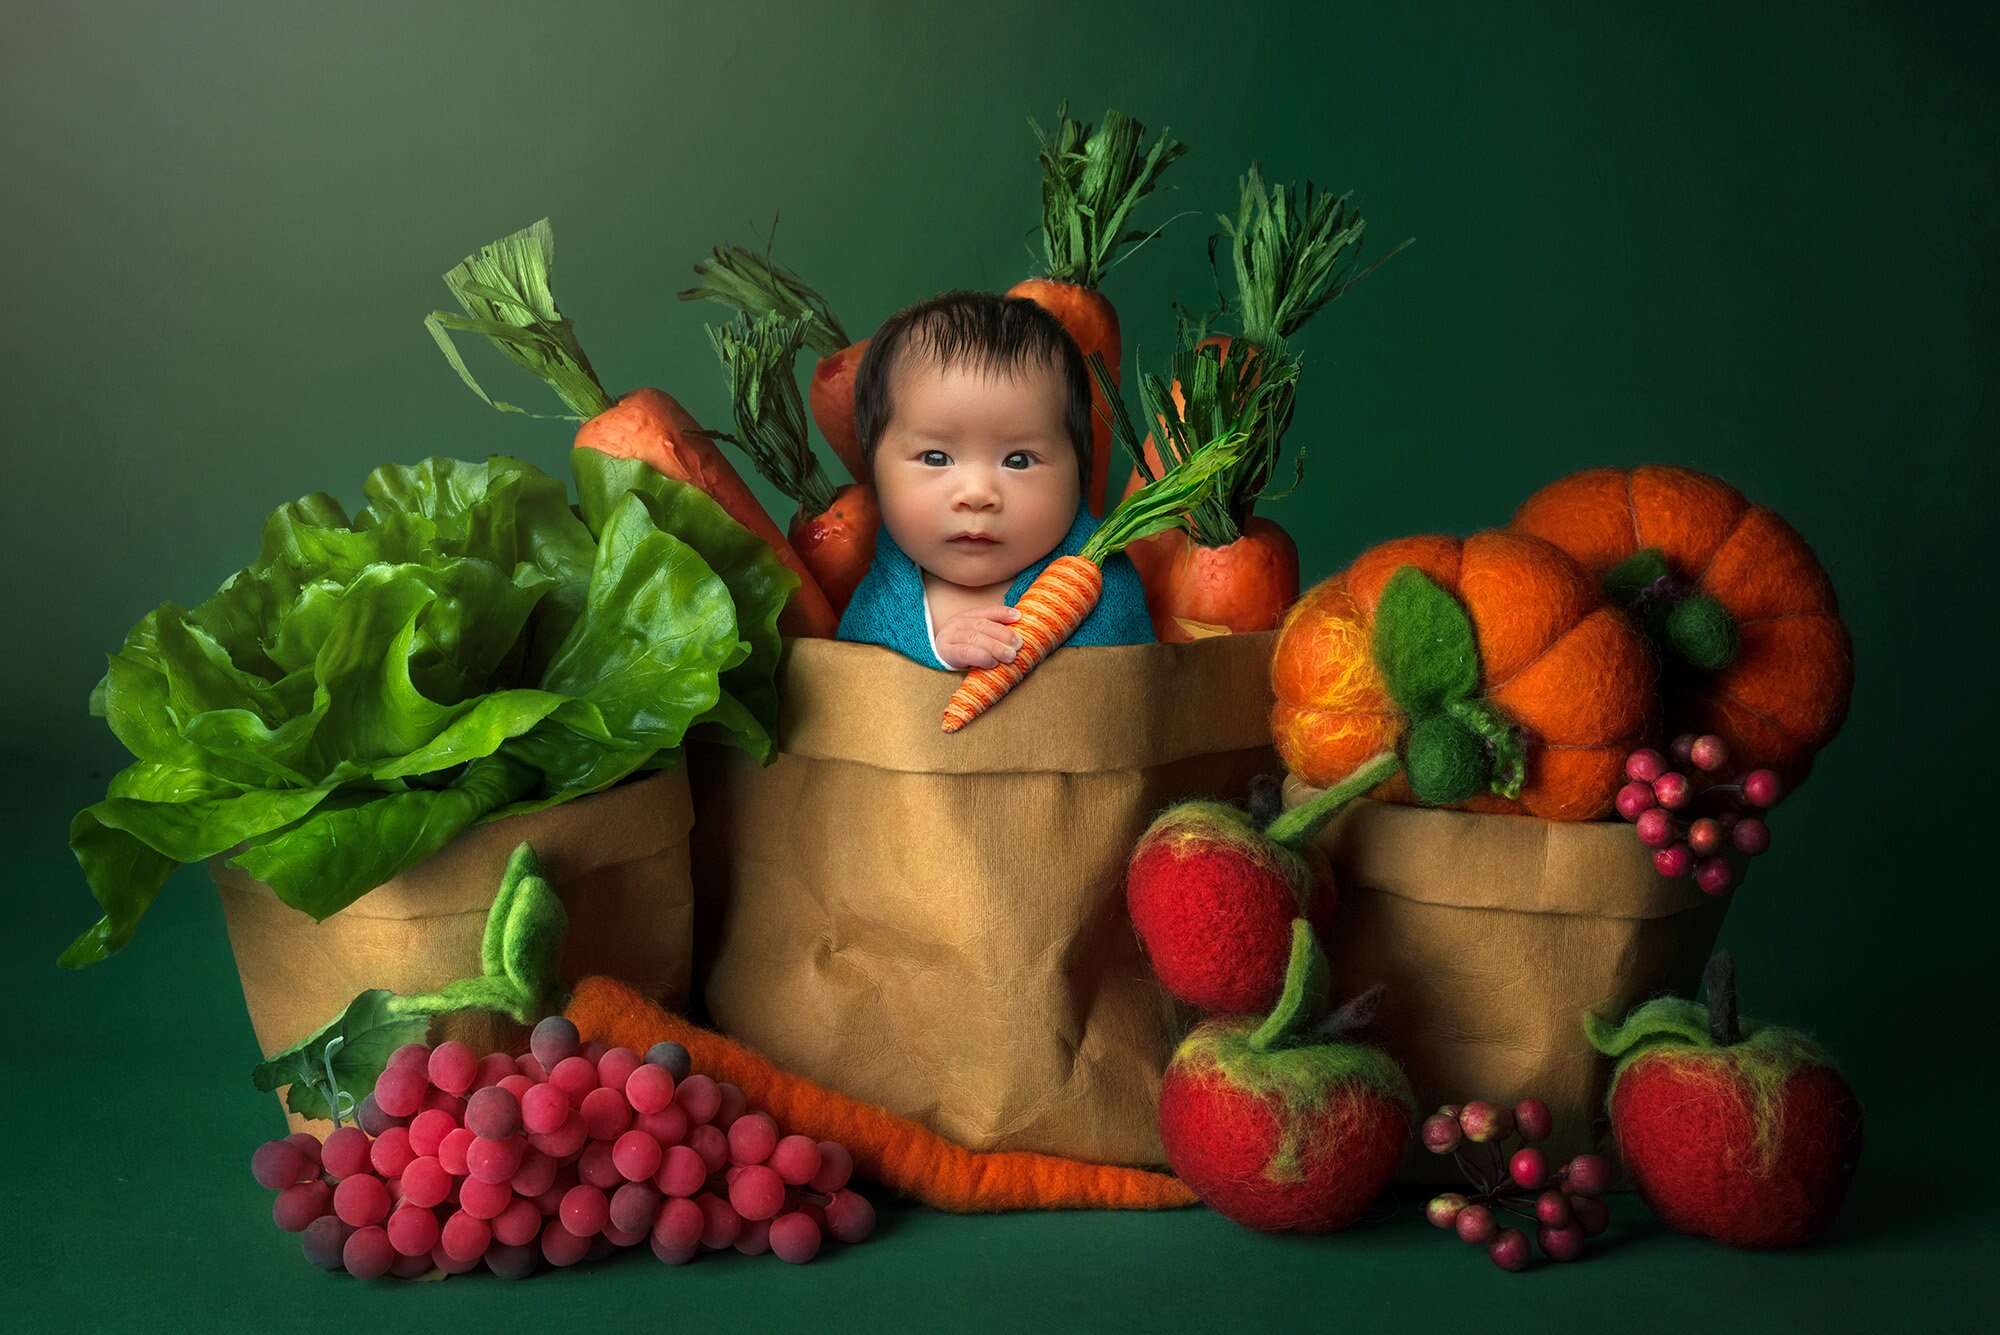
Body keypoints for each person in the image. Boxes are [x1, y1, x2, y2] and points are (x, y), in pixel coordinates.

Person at [836, 289, 1152, 668]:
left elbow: (1135, 692)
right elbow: (852, 684)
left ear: (1079, 470)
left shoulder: (1105, 588)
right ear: (875, 469)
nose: (977, 494)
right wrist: (937, 653)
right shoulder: (881, 602)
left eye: (1018, 461)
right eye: (936, 458)